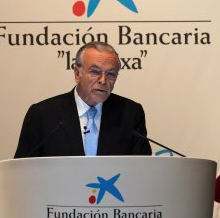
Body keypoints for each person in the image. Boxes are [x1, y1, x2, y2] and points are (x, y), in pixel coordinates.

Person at [14, 41, 152, 158]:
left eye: (111, 74)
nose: (103, 80)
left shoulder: (130, 113)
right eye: (95, 72)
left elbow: (143, 170)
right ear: (77, 73)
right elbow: (22, 170)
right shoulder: (42, 114)